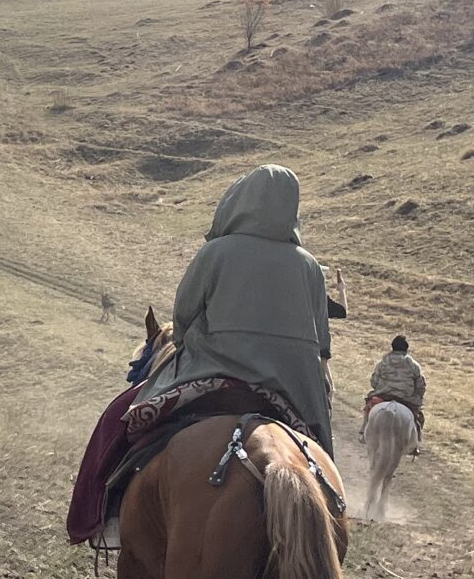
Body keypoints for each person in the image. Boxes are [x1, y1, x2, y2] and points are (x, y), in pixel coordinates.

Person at [140, 163, 340, 455]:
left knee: (122, 423)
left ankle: (106, 494)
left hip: (213, 367)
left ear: (241, 200)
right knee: (322, 452)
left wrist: (185, 344)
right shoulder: (309, 266)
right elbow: (322, 342)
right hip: (294, 384)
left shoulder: (214, 252)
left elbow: (182, 316)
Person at [367, 335, 427, 444]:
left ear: (392, 347)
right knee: (419, 418)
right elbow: (420, 386)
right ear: (406, 349)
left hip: (383, 396)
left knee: (368, 408)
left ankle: (364, 432)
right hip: (406, 399)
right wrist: (417, 398)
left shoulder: (382, 363)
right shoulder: (414, 365)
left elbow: (374, 382)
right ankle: (416, 442)